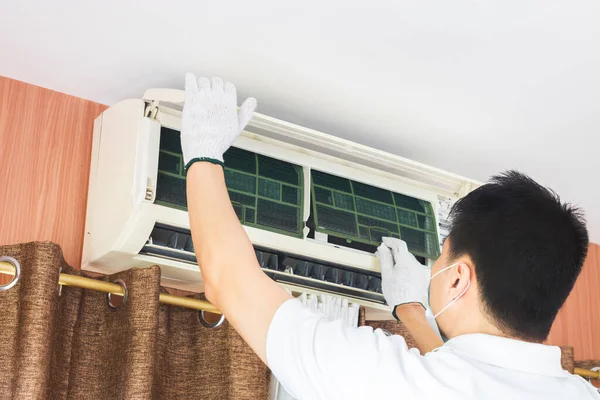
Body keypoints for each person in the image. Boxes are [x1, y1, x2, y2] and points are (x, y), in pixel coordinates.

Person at [182, 73, 599, 399]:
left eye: (441, 255)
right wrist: (413, 314)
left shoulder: (380, 378)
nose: (433, 265)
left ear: (458, 279)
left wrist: (203, 153)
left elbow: (229, 282)